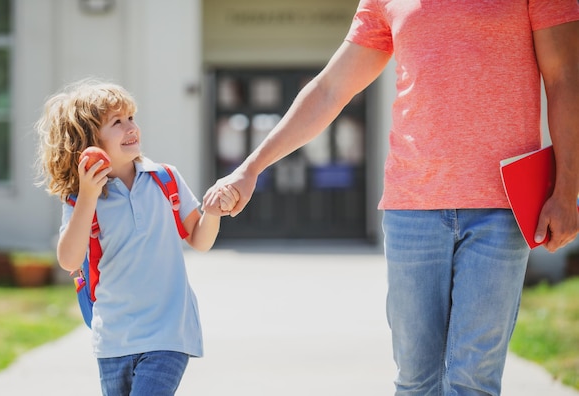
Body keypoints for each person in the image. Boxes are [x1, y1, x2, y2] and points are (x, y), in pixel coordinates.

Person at [203, 2, 579, 395]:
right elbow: (331, 89)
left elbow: (565, 77)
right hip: (412, 209)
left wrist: (567, 189)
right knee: (417, 380)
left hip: (502, 208)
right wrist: (252, 167)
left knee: (474, 380)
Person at [35, 78, 237, 396]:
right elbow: (69, 260)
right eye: (117, 122)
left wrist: (212, 213)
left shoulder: (165, 178)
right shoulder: (79, 200)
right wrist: (88, 195)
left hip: (168, 334)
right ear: (89, 141)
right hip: (113, 339)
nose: (131, 127)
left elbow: (199, 240)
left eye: (131, 118)